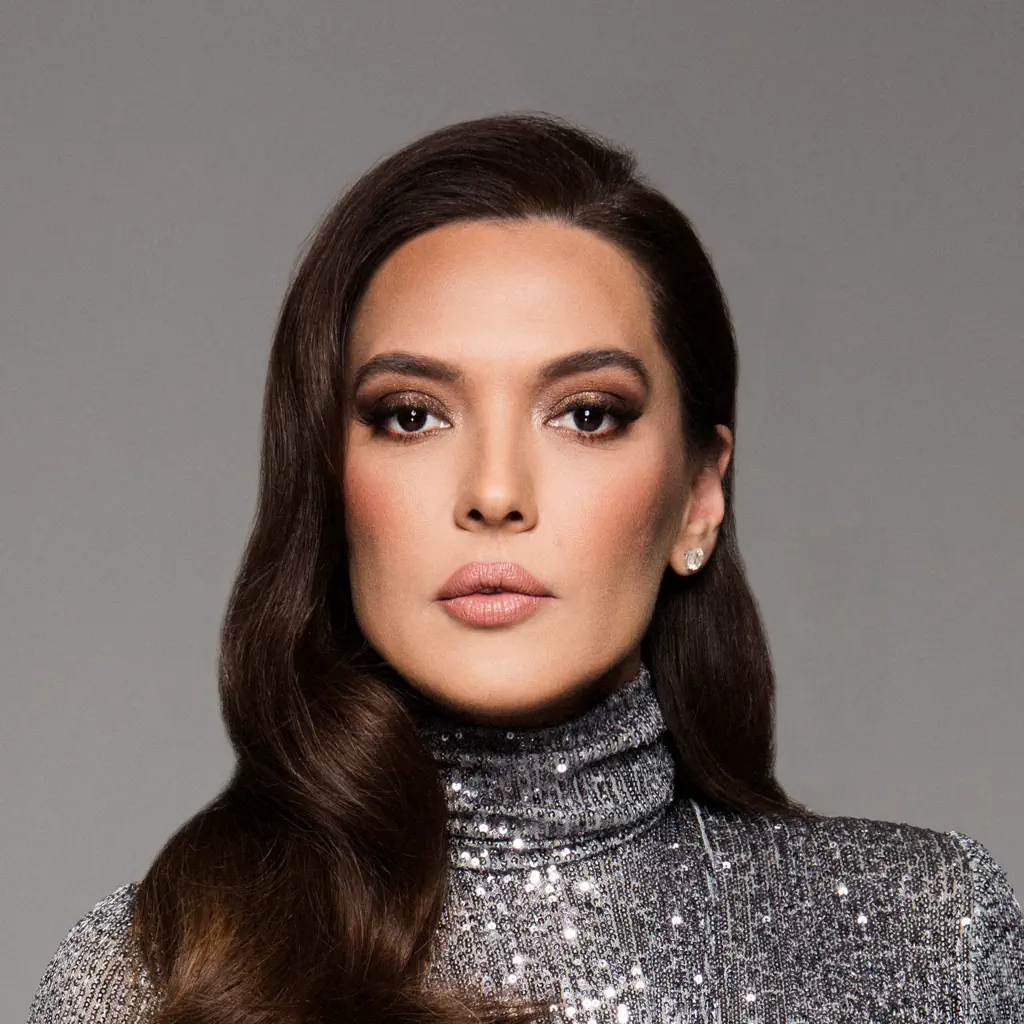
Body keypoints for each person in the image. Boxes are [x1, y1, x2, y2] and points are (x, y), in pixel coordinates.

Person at [28, 112, 1023, 1023]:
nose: (495, 493)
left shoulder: (928, 940)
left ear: (698, 496)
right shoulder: (148, 979)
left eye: (586, 414)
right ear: (330, 487)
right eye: (410, 416)